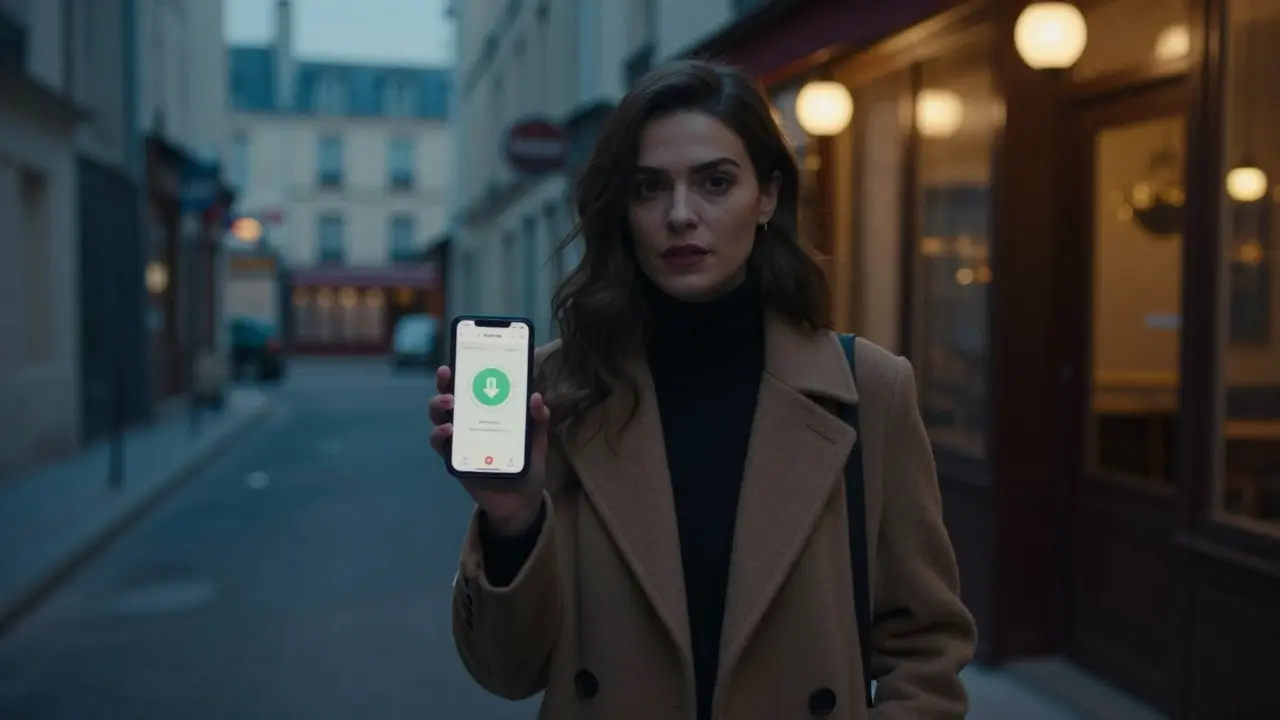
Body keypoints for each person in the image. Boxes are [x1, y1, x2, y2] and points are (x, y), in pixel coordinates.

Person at [429, 60, 976, 720]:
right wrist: (511, 524)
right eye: (649, 188)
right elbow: (506, 673)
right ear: (622, 210)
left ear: (767, 196)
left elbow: (926, 646)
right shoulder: (561, 392)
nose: (681, 215)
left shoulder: (869, 390)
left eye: (715, 183)